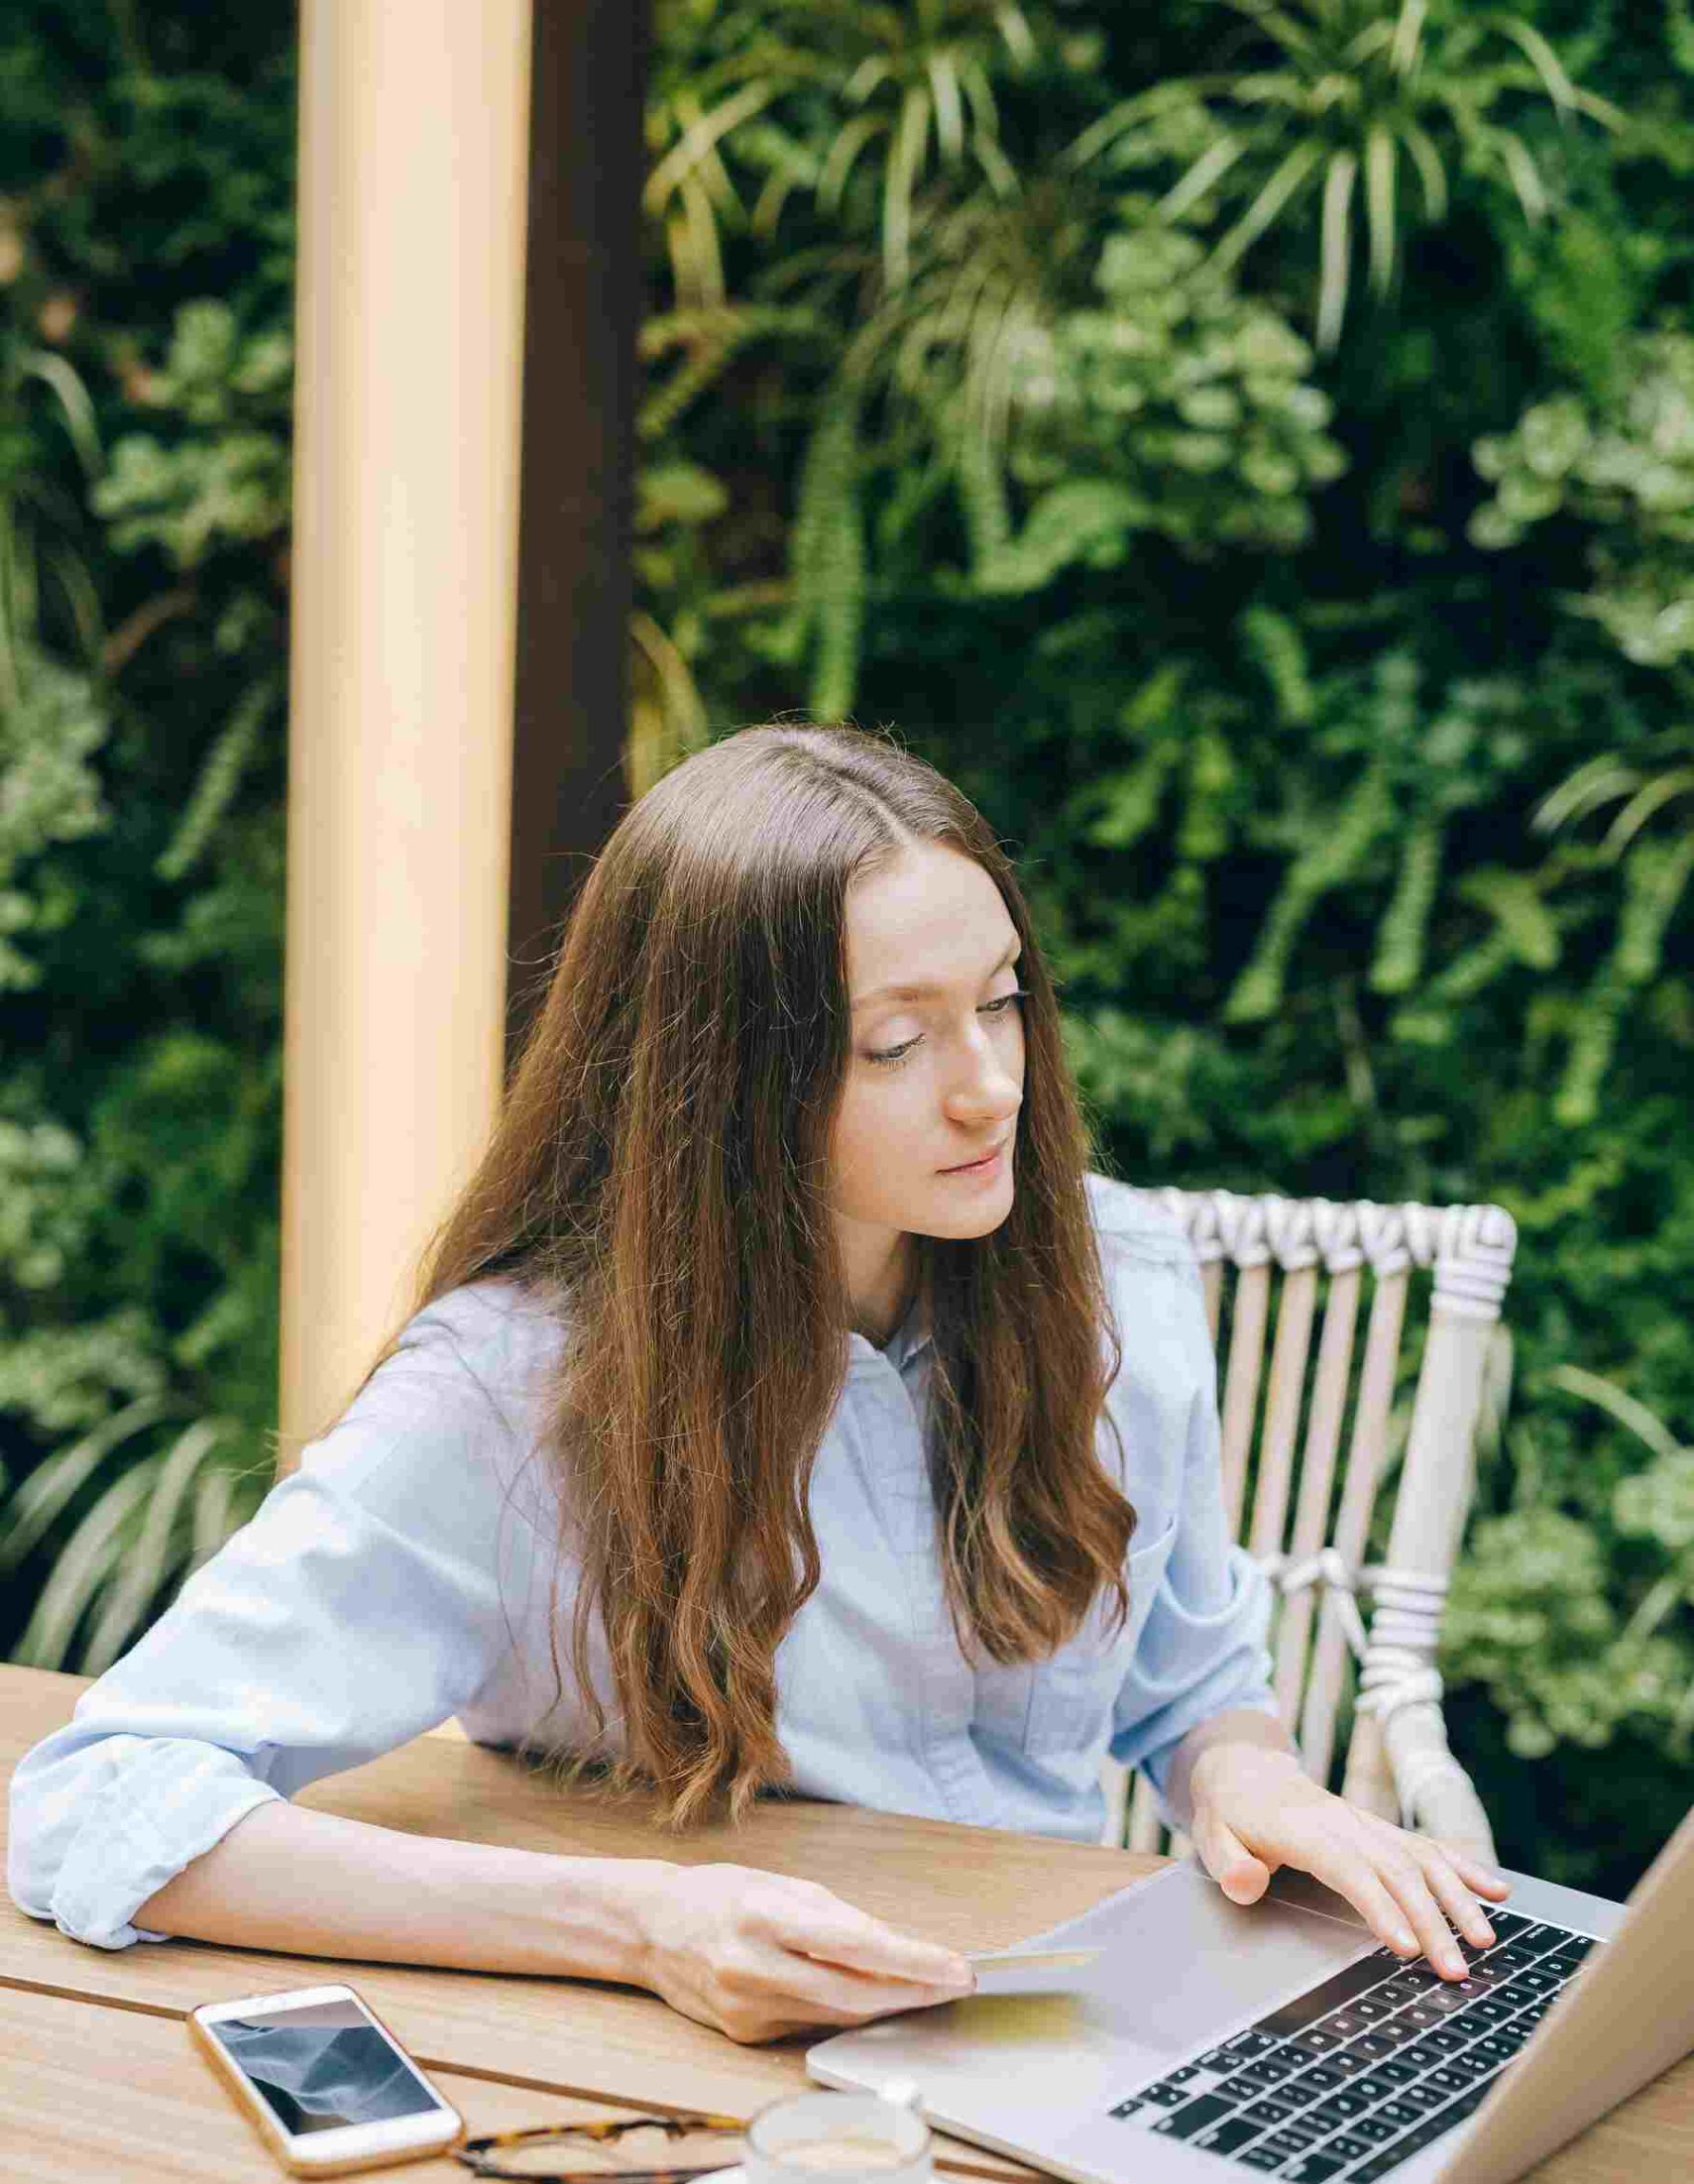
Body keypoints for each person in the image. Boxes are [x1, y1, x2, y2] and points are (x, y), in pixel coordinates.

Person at [7, 721, 1508, 2043]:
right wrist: (637, 1929)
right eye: (895, 1040)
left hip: (1064, 2016)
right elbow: (98, 1801)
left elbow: (1192, 1685)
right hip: (692, 2071)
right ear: (719, 1082)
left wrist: (1252, 1787)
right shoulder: (509, 1393)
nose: (990, 1084)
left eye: (1003, 1003)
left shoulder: (1118, 1276)